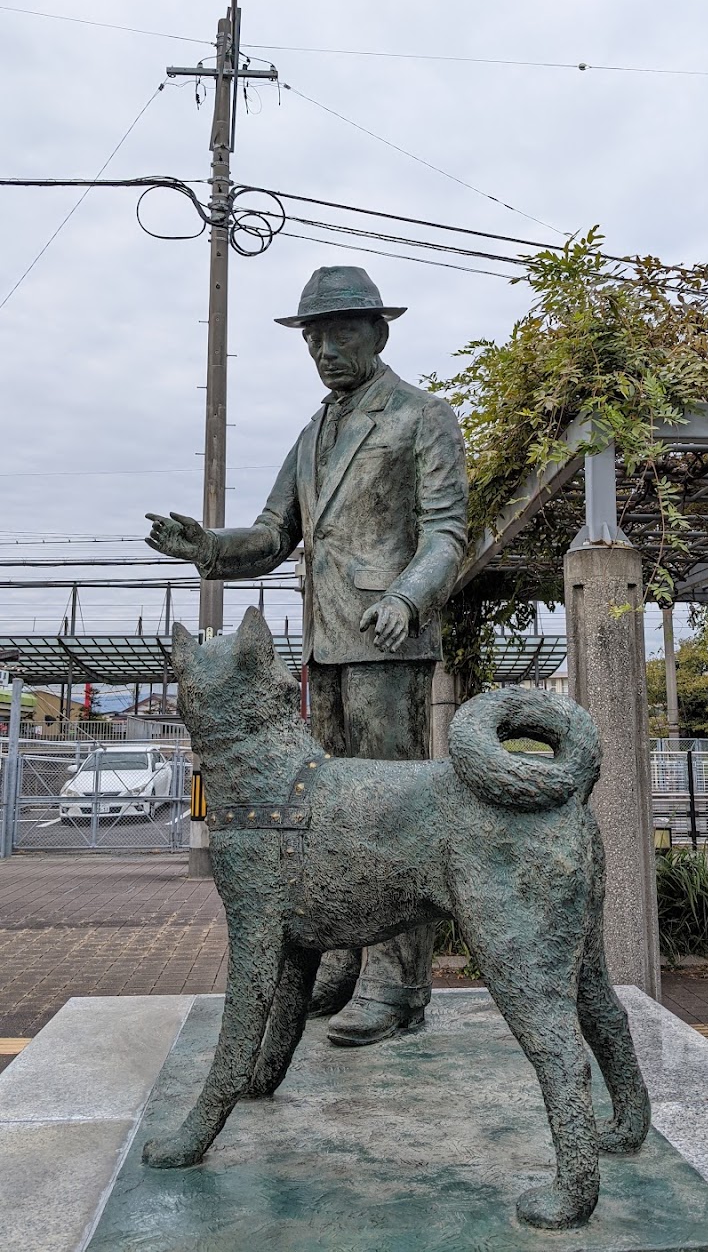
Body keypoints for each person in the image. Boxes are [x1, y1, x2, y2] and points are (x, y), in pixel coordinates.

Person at [145, 265, 468, 1045]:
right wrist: (211, 548)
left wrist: (407, 599)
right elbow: (274, 532)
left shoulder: (423, 416)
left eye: (339, 332)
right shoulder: (311, 433)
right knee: (321, 819)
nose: (324, 349)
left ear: (378, 333)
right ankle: (338, 963)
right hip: (323, 649)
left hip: (388, 642)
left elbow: (448, 530)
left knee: (397, 817)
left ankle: (400, 987)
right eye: (313, 336)